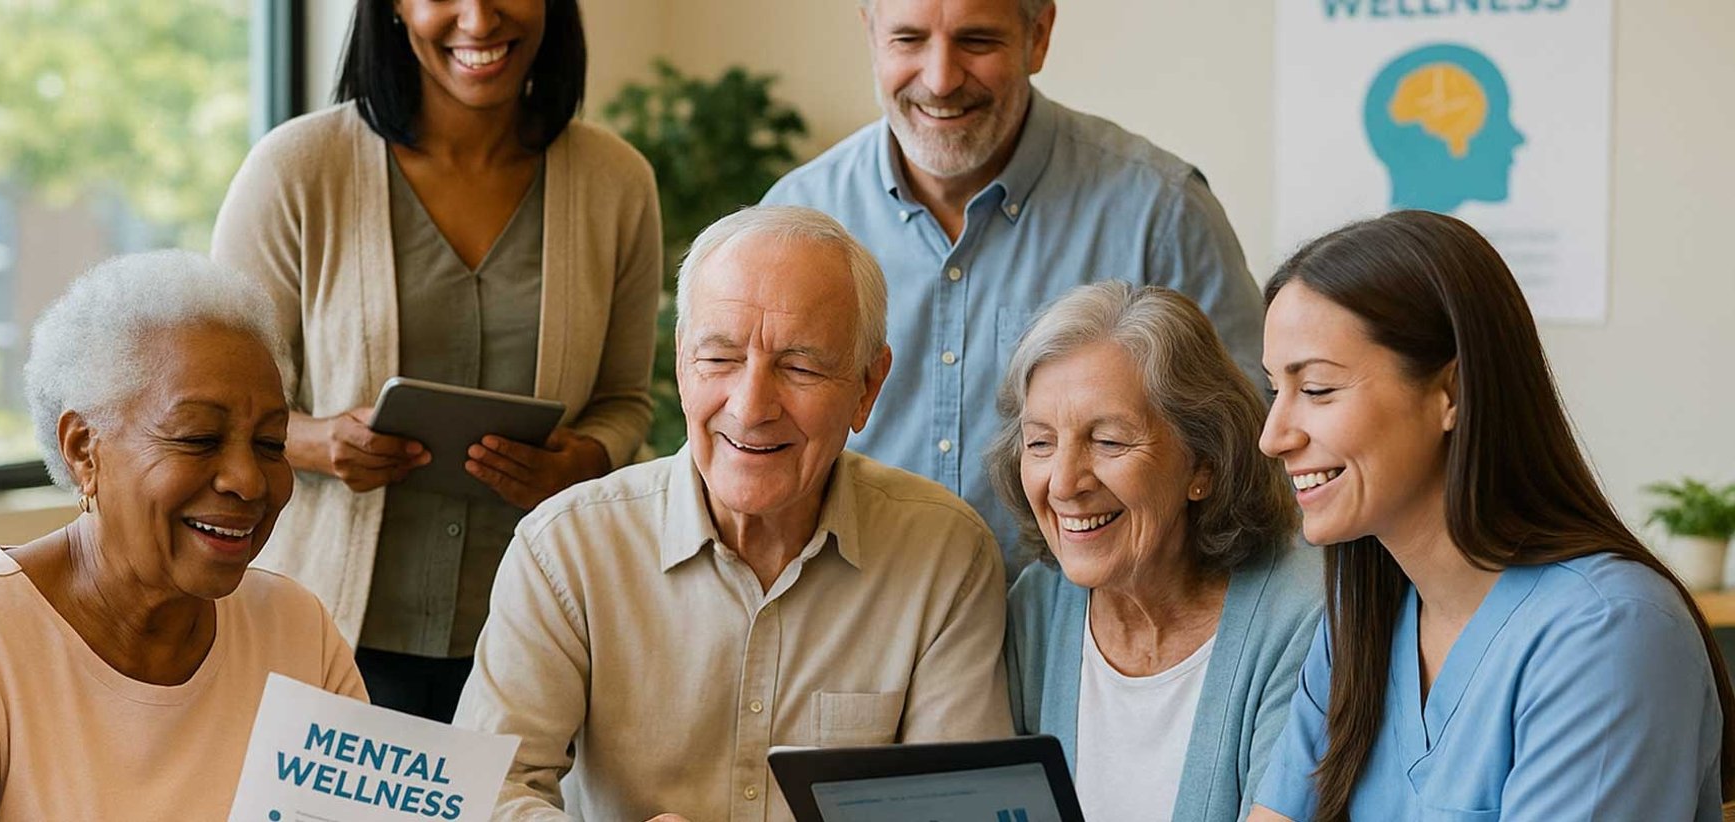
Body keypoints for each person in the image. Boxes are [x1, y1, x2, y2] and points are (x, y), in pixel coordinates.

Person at [452, 206, 1011, 821]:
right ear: (680, 363)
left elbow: (956, 812)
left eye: (800, 366)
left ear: (868, 386)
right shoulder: (565, 548)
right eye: (719, 358)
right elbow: (482, 798)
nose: (751, 407)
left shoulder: (945, 553)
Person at [210, 0, 660, 720]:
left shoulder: (617, 183)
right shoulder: (296, 170)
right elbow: (220, 402)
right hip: (331, 639)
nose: (478, 21)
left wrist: (588, 460)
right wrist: (323, 443)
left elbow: (626, 402)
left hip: (531, 639)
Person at [0, 251, 365, 820]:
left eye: (271, 444)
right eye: (198, 438)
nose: (248, 480)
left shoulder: (295, 631)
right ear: (84, 449)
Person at [1248, 211, 1733, 821]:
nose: (1273, 436)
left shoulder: (1610, 635)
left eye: (1316, 389)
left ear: (1451, 393)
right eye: (1274, 391)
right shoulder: (1359, 614)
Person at [761, 0, 1266, 571]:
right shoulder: (795, 216)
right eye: (908, 39)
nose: (941, 79)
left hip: (1079, 639)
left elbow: (1245, 447)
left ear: (1040, 35)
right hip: (859, 626)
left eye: (977, 41)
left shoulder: (1161, 211)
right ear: (871, 35)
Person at [992, 282, 1320, 822]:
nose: (1065, 483)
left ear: (1204, 464)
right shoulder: (1036, 610)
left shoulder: (1302, 614)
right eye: (1040, 443)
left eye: (1110, 441)